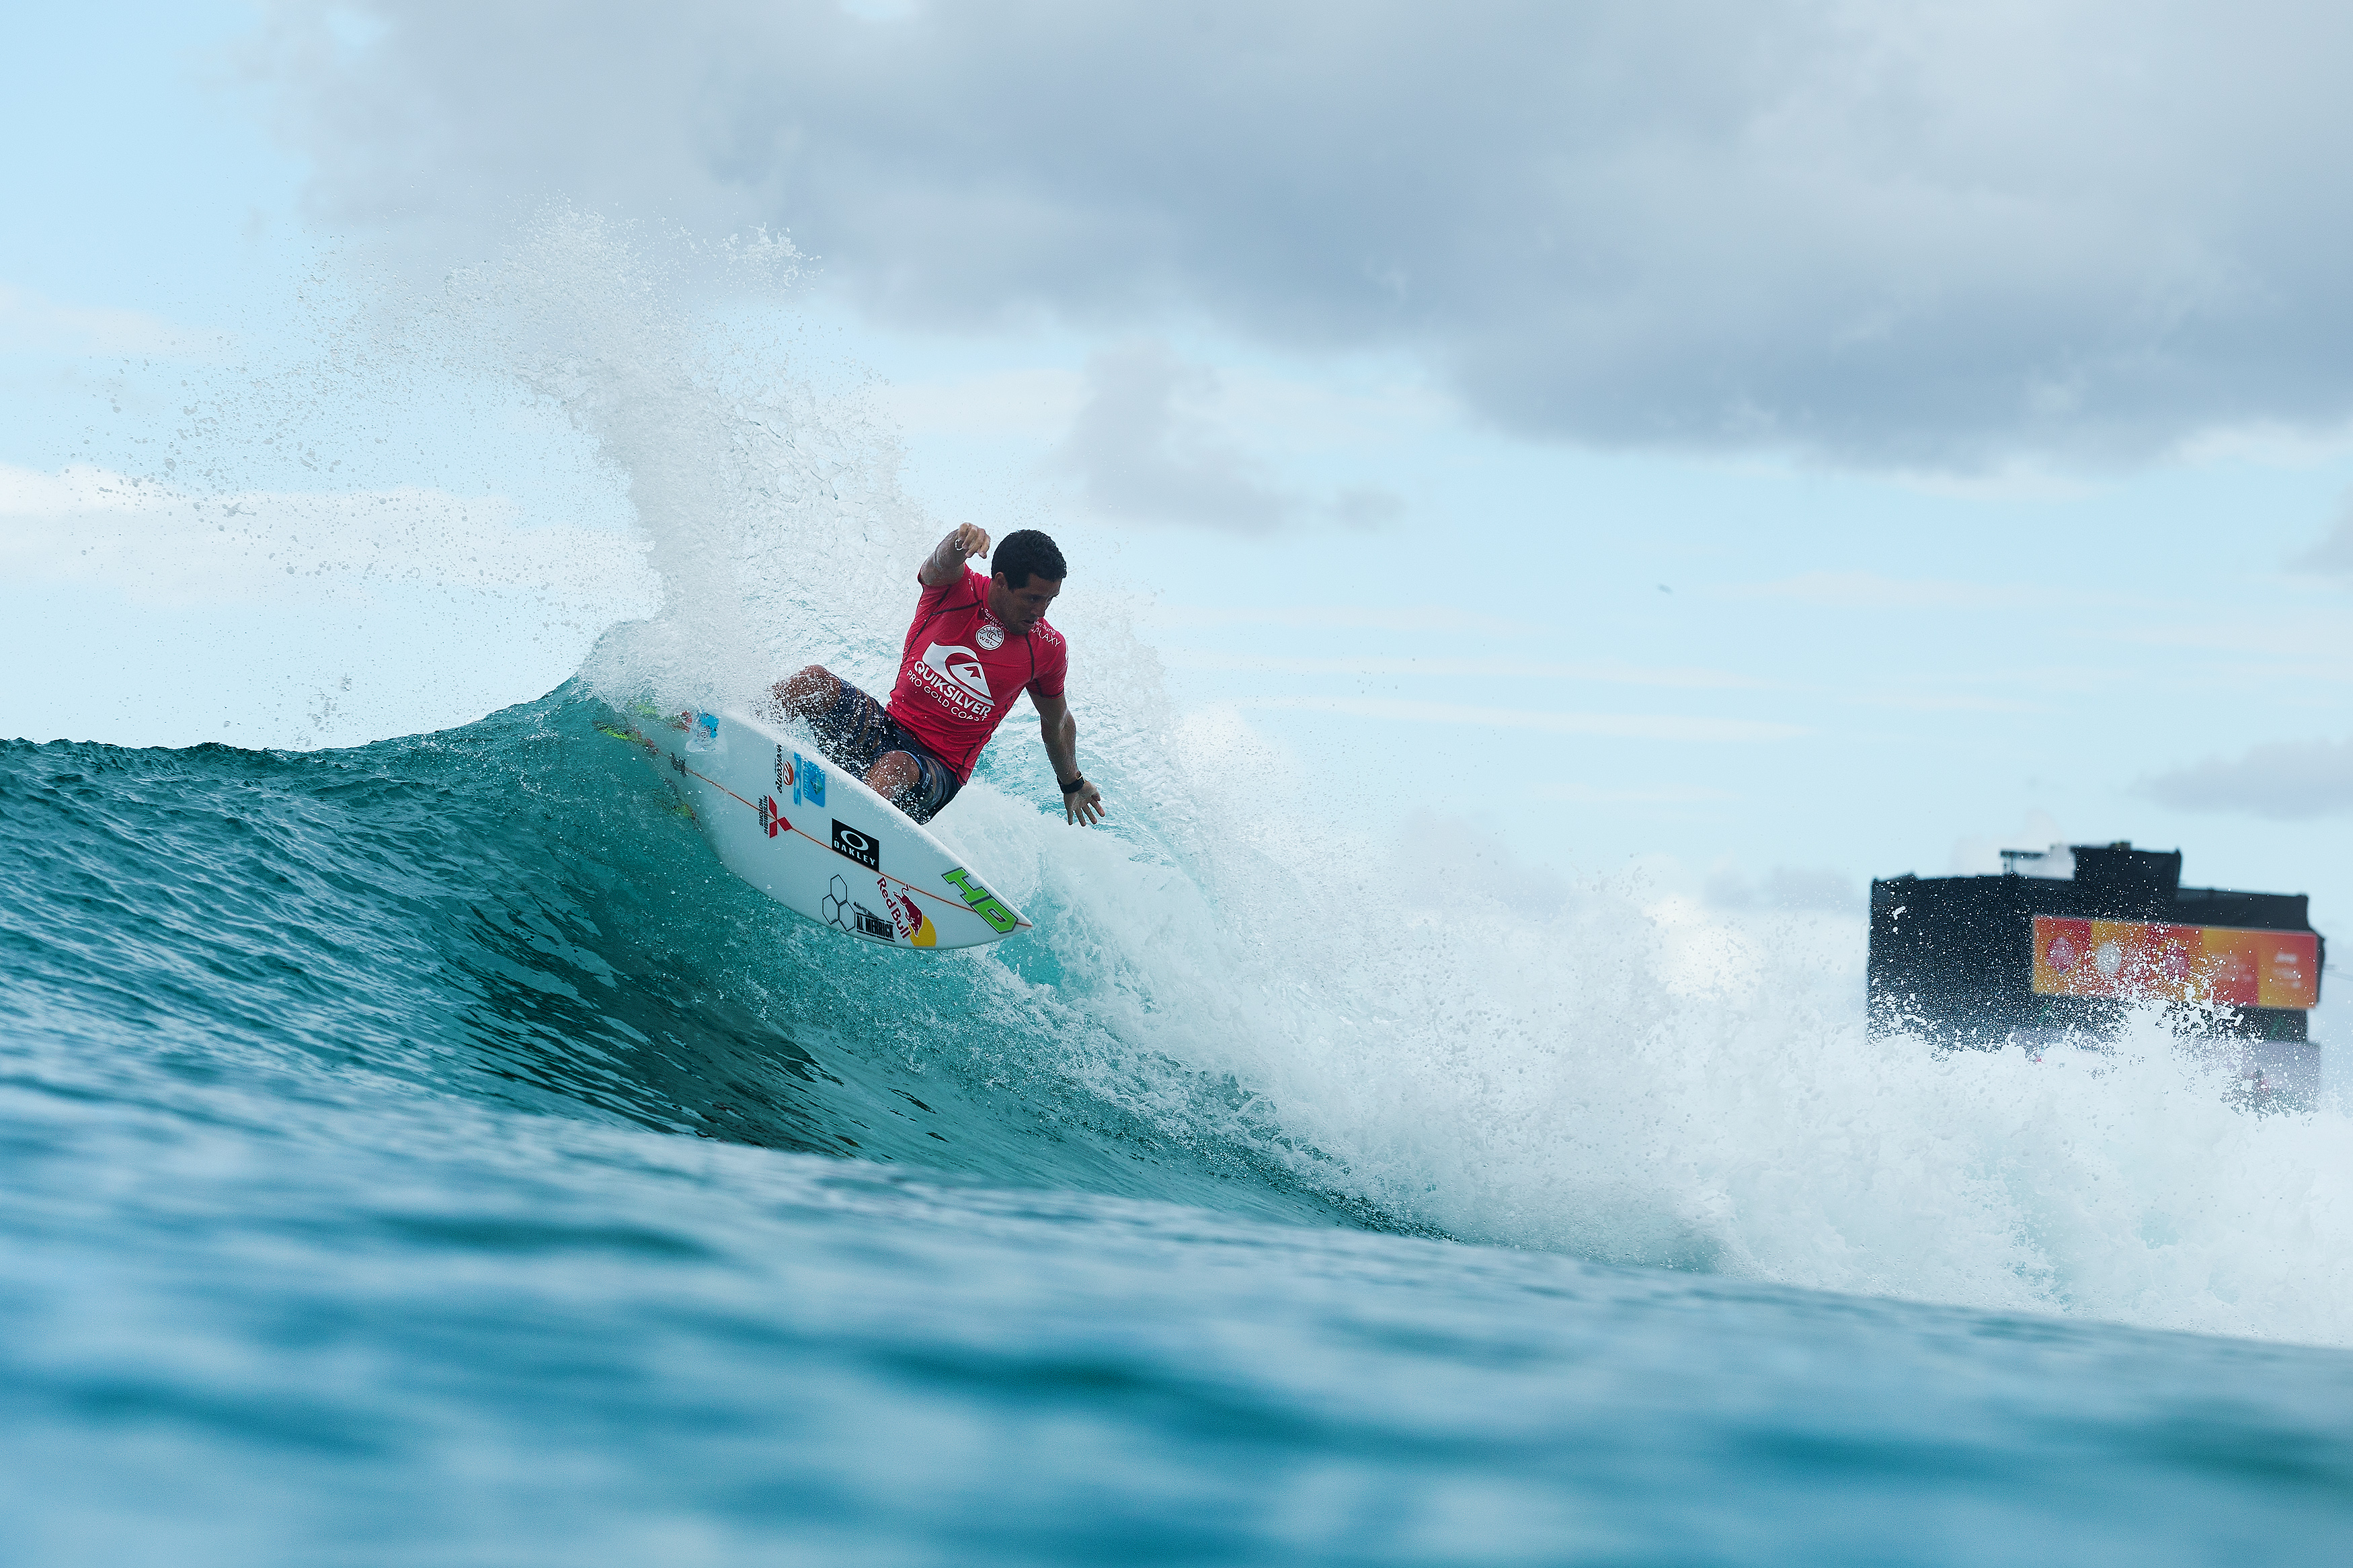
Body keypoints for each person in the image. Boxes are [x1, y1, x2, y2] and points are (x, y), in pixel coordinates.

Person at [770, 526, 1107, 827]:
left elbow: (1058, 721)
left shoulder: (1047, 648)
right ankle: (742, 724)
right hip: (885, 729)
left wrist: (1073, 784)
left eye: (1050, 600)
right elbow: (940, 562)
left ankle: (848, 840)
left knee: (897, 766)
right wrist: (959, 543)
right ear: (1001, 582)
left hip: (937, 771)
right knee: (813, 681)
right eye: (1033, 598)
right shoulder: (955, 590)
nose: (1041, 611)